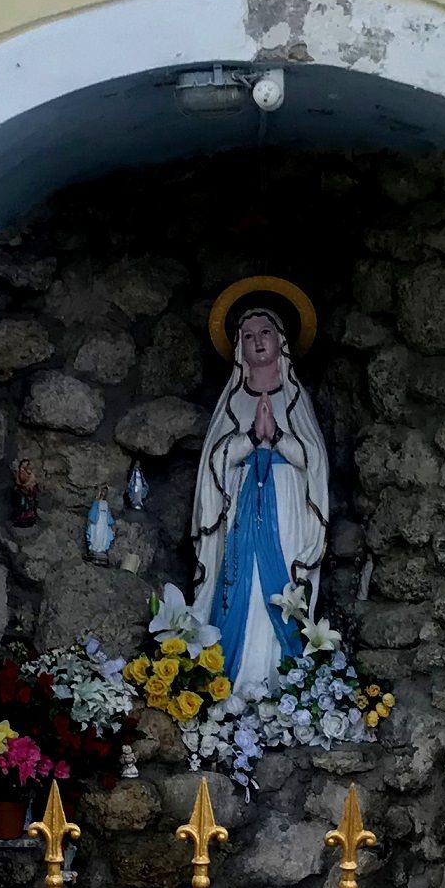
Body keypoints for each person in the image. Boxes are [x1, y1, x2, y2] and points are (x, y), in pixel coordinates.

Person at [191, 296, 331, 699]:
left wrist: (279, 439)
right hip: (239, 505)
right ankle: (231, 678)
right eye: (248, 335)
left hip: (286, 508)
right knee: (239, 585)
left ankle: (281, 679)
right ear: (238, 346)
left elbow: (314, 461)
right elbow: (213, 464)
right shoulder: (233, 400)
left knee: (280, 584)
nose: (257, 341)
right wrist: (252, 437)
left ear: (281, 341)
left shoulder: (294, 397)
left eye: (265, 332)